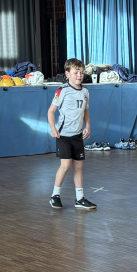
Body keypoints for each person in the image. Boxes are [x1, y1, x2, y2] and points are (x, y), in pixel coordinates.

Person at [48, 59, 97, 211]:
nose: (79, 75)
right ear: (68, 74)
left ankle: (80, 198)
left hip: (77, 135)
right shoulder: (62, 91)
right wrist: (53, 128)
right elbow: (51, 111)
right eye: (76, 73)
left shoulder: (85, 91)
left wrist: (88, 126)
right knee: (65, 165)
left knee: (78, 166)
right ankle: (55, 196)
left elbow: (85, 111)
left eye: (81, 72)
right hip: (63, 135)